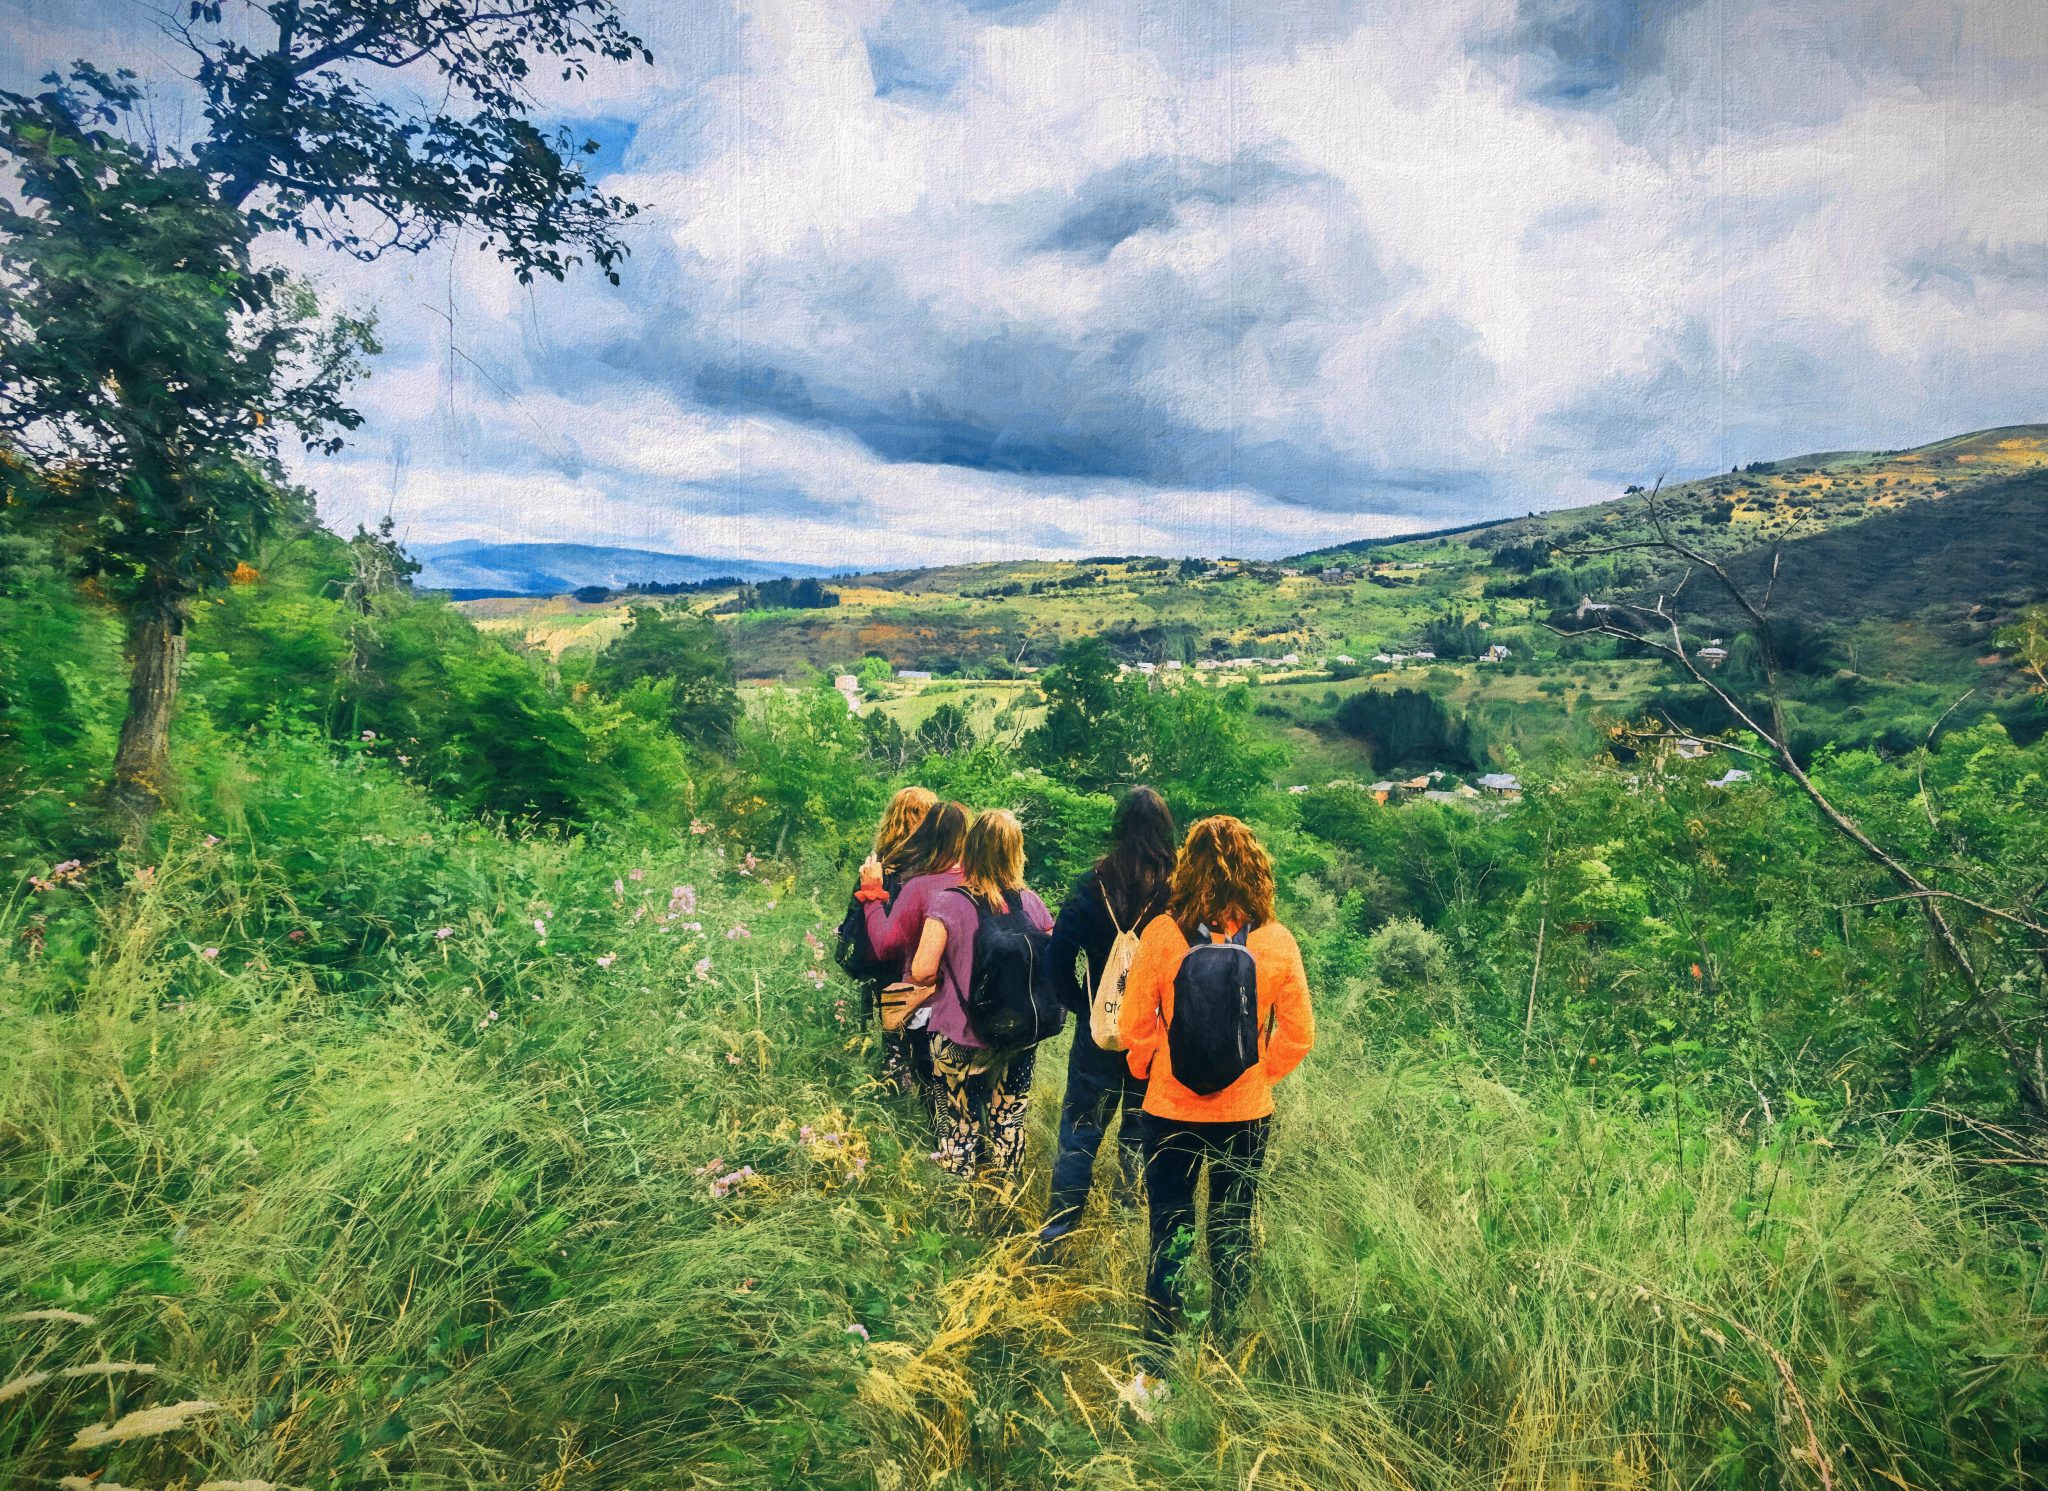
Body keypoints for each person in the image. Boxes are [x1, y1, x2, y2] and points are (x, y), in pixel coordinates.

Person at [1118, 814, 1314, 1375]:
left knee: (1168, 1232)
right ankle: (1226, 1363)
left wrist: (1154, 1068)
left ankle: (1156, 1369)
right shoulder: (1277, 941)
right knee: (1232, 1233)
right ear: (1258, 871)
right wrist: (1256, 1075)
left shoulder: (1161, 934)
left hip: (1168, 1111)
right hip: (1246, 1115)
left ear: (1188, 867)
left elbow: (1134, 1029)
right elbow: (1299, 1035)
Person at [1037, 786, 1177, 1248]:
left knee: (1079, 1134)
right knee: (1139, 1136)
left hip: (1100, 1034)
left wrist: (1083, 1007)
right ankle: (1125, 1235)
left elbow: (1057, 958)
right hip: (1154, 1040)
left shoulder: (1094, 883)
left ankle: (1055, 1239)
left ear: (1118, 825)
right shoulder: (1176, 892)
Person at [908, 809, 1055, 1178]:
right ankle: (1006, 1198)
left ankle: (962, 1200)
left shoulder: (949, 901)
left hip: (959, 1035)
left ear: (970, 850)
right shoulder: (1032, 902)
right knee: (1009, 1119)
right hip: (1019, 1033)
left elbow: (922, 970)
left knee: (958, 1121)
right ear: (1016, 852)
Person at [856, 799, 971, 1105]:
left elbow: (884, 944)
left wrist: (872, 896)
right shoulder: (982, 883)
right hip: (974, 1008)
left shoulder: (921, 888)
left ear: (927, 837)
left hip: (928, 1010)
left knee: (937, 1103)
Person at [838, 787, 938, 1087]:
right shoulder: (931, 866)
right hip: (915, 963)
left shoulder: (876, 863)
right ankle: (923, 1101)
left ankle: (892, 1089)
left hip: (879, 965)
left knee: (893, 1036)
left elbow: (854, 913)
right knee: (923, 1041)